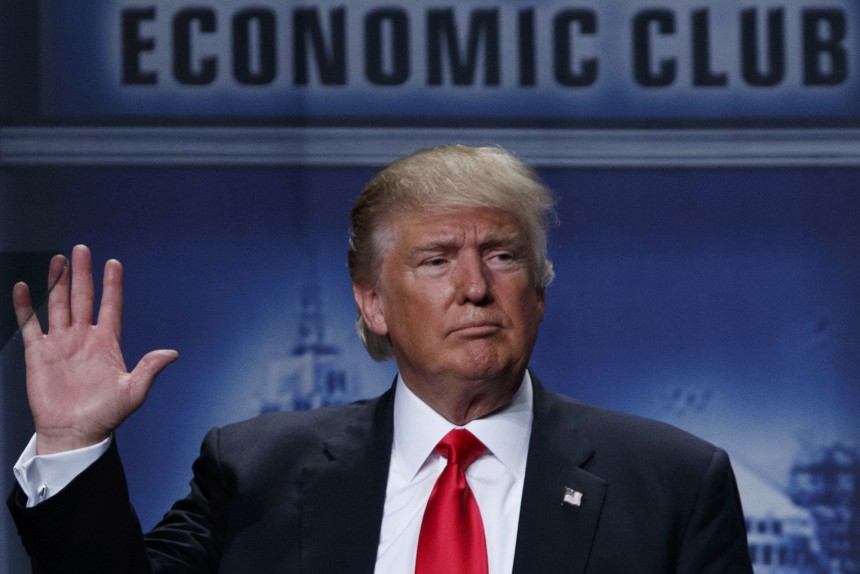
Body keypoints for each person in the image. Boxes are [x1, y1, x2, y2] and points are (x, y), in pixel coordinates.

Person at [7, 145, 753, 573]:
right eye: (436, 260)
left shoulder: (673, 484)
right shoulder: (256, 472)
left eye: (503, 255)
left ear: (539, 291)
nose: (475, 286)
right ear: (372, 303)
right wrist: (72, 444)